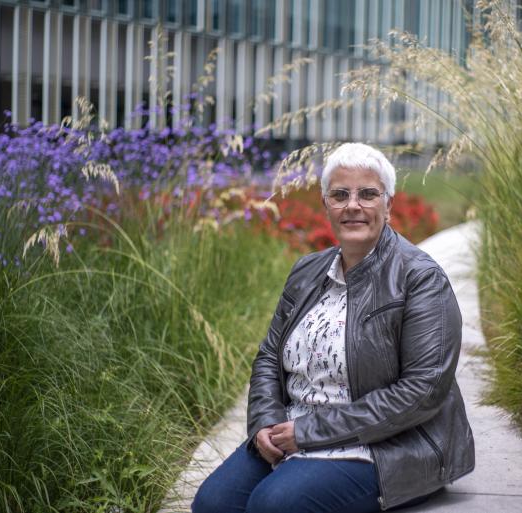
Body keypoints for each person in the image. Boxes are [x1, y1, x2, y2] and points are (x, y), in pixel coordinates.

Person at [192, 143, 474, 513]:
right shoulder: (307, 271)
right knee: (213, 504)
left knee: (273, 506)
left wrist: (309, 434)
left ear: (388, 205)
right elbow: (268, 358)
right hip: (292, 431)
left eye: (368, 194)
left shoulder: (420, 278)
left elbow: (422, 391)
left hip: (385, 445)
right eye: (340, 195)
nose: (353, 205)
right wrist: (264, 422)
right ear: (326, 205)